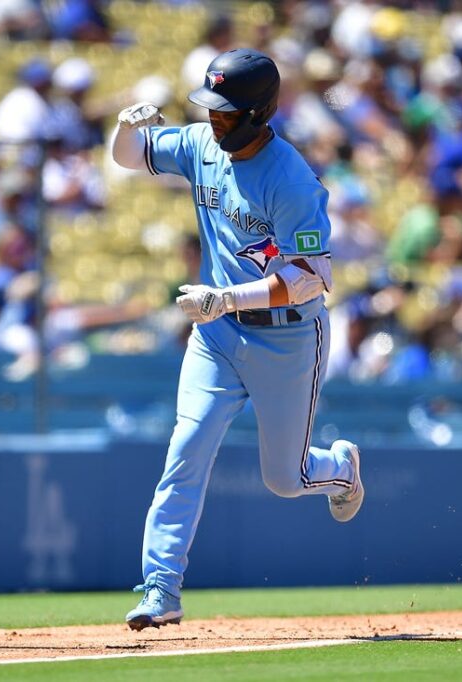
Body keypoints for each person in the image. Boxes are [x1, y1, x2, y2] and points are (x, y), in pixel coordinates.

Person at [111, 49, 364, 631]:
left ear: (259, 112)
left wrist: (227, 297)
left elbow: (311, 279)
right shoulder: (201, 143)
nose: (213, 118)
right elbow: (133, 158)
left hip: (288, 339)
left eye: (226, 111)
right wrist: (126, 131)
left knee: (286, 479)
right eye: (211, 108)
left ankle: (342, 469)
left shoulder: (292, 177)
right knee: (185, 450)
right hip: (218, 335)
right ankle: (160, 586)